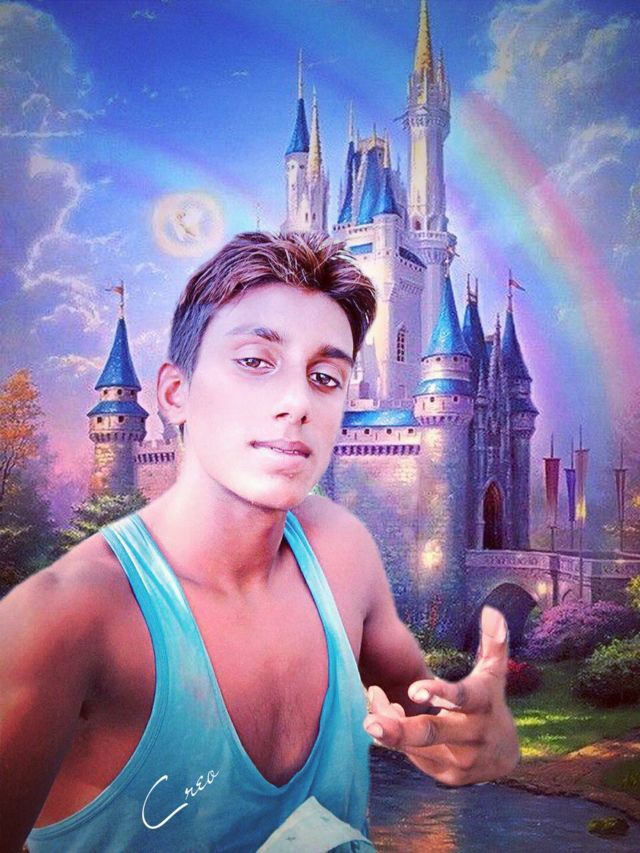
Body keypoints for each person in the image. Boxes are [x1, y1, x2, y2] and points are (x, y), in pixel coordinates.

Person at [0, 231, 520, 852]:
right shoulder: (64, 619)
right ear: (175, 394)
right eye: (254, 361)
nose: (296, 402)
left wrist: (477, 740)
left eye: (325, 375)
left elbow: (433, 727)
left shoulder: (343, 554)